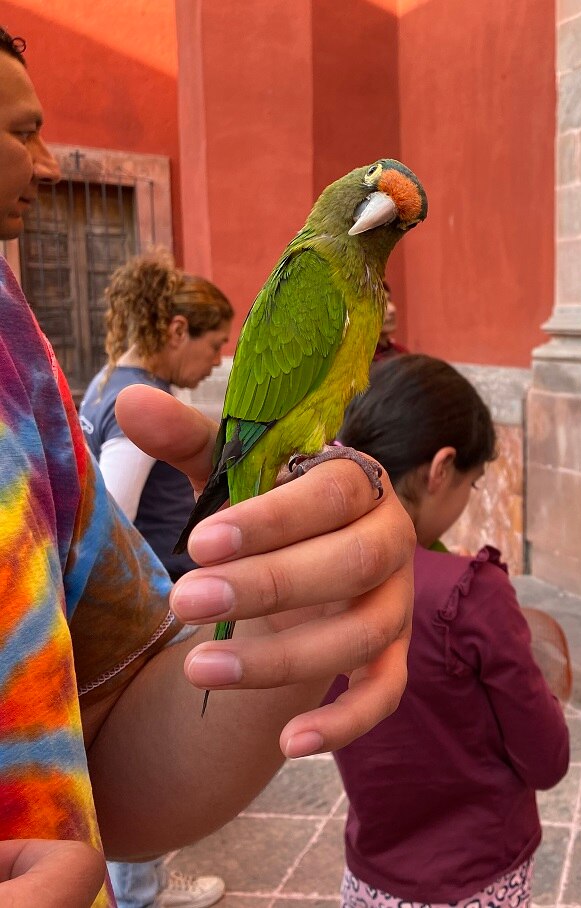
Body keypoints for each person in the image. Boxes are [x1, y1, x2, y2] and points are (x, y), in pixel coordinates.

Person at [0, 27, 413, 907]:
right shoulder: (313, 272)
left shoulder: (17, 357)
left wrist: (288, 614)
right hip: (263, 440)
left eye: (400, 216)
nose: (44, 163)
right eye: (378, 192)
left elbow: (114, 752)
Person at [328, 354, 570, 908]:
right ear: (441, 469)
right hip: (476, 873)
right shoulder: (470, 594)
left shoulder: (315, 584)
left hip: (374, 873)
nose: (469, 499)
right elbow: (546, 758)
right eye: (473, 483)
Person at [79, 251, 233, 907]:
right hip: (156, 606)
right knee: (147, 765)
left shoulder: (105, 381)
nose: (218, 362)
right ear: (175, 332)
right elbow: (110, 515)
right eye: (214, 344)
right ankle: (143, 892)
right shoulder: (145, 404)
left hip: (146, 606)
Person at [372, 281, 407, 361]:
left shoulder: (401, 353)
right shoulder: (360, 362)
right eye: (381, 303)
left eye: (389, 300)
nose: (392, 309)